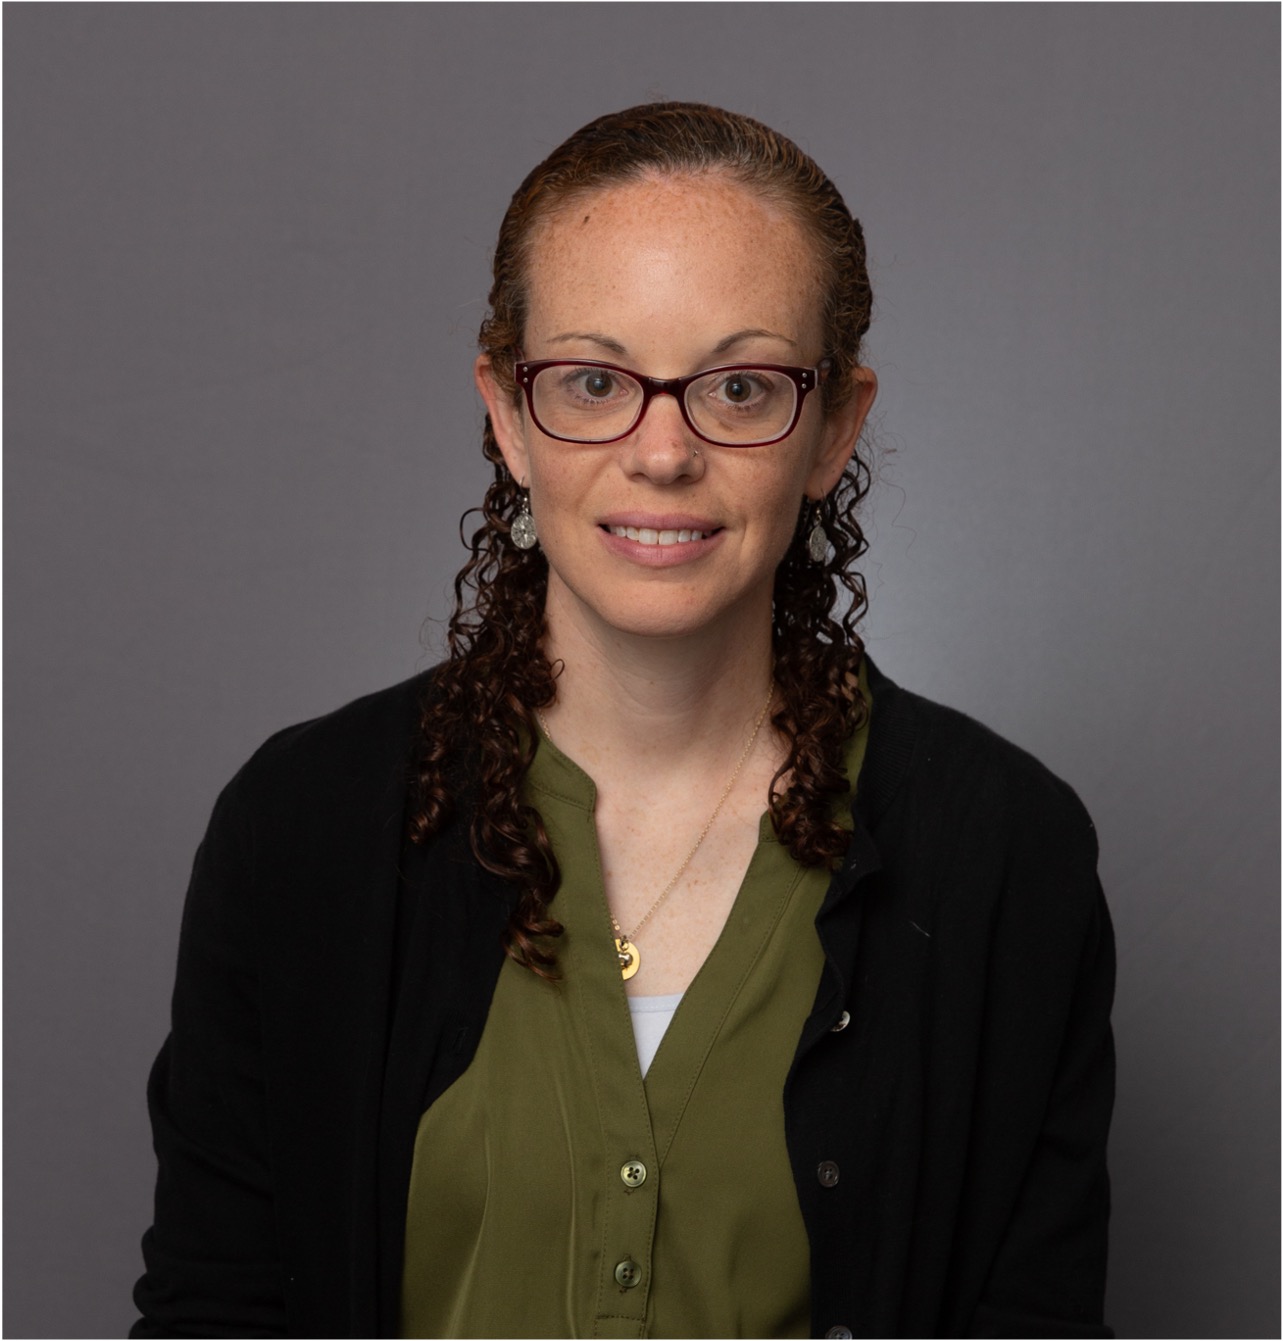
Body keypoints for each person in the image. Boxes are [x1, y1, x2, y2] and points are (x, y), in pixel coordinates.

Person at [131, 102, 1114, 1339]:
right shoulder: (304, 825)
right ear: (505, 409)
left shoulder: (1001, 853)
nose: (661, 453)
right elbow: (215, 1311)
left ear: (832, 427)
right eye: (593, 381)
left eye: (740, 385)